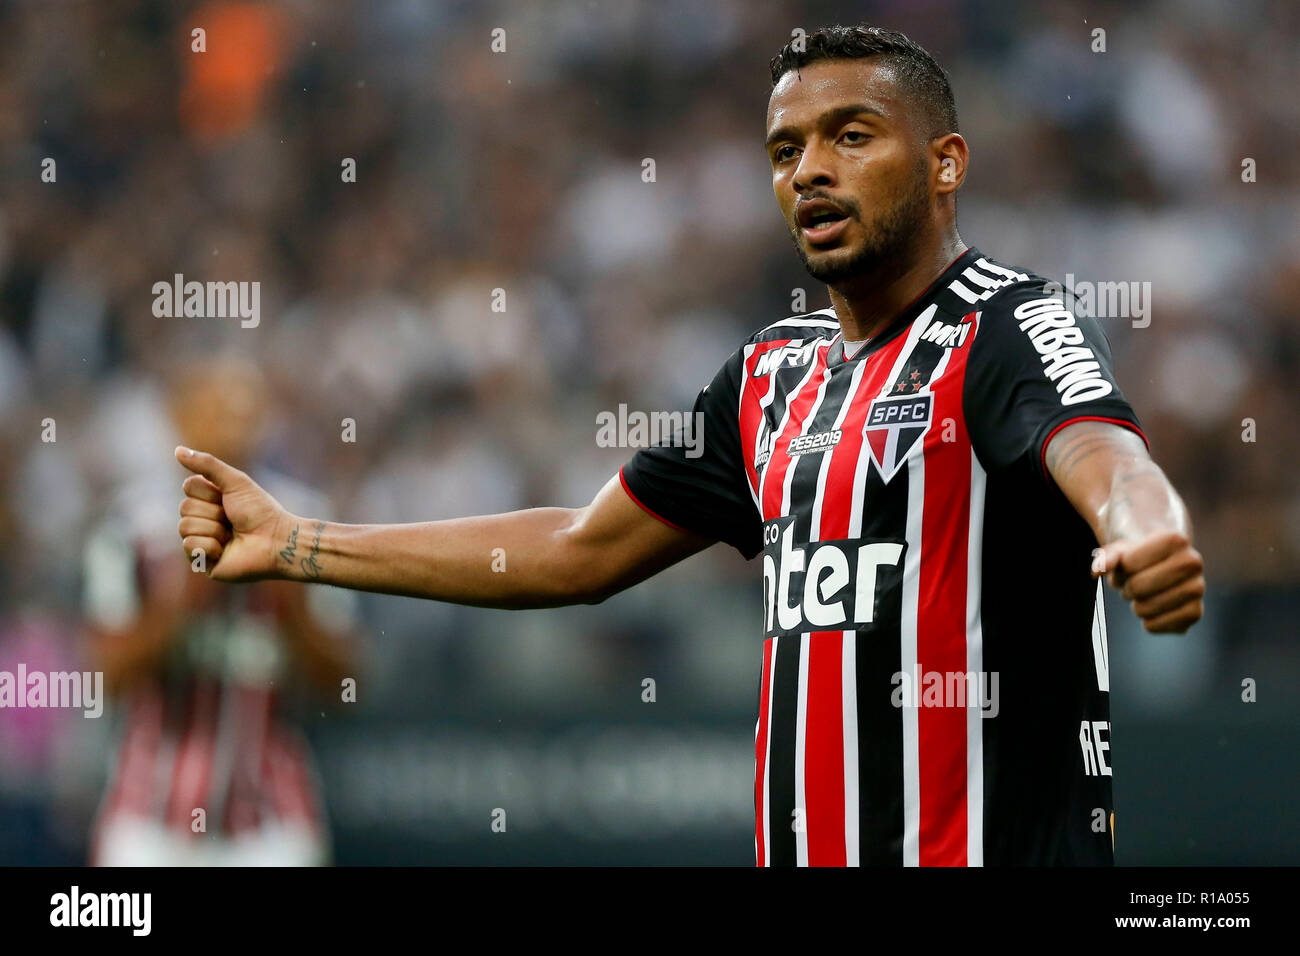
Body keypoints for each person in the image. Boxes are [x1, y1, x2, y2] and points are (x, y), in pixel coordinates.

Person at [170, 26, 1204, 866]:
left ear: (945, 162)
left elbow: (1102, 452)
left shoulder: (1008, 322)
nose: (810, 171)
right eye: (785, 149)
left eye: (851, 135)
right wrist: (299, 540)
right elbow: (578, 550)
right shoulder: (766, 375)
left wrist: (1144, 529)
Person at [89, 354, 355, 865]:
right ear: (178, 418)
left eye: (243, 414)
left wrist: (292, 594)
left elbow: (345, 683)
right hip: (151, 817)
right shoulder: (128, 528)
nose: (231, 431)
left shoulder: (307, 521)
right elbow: (107, 676)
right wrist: (186, 593)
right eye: (214, 412)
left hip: (270, 819)